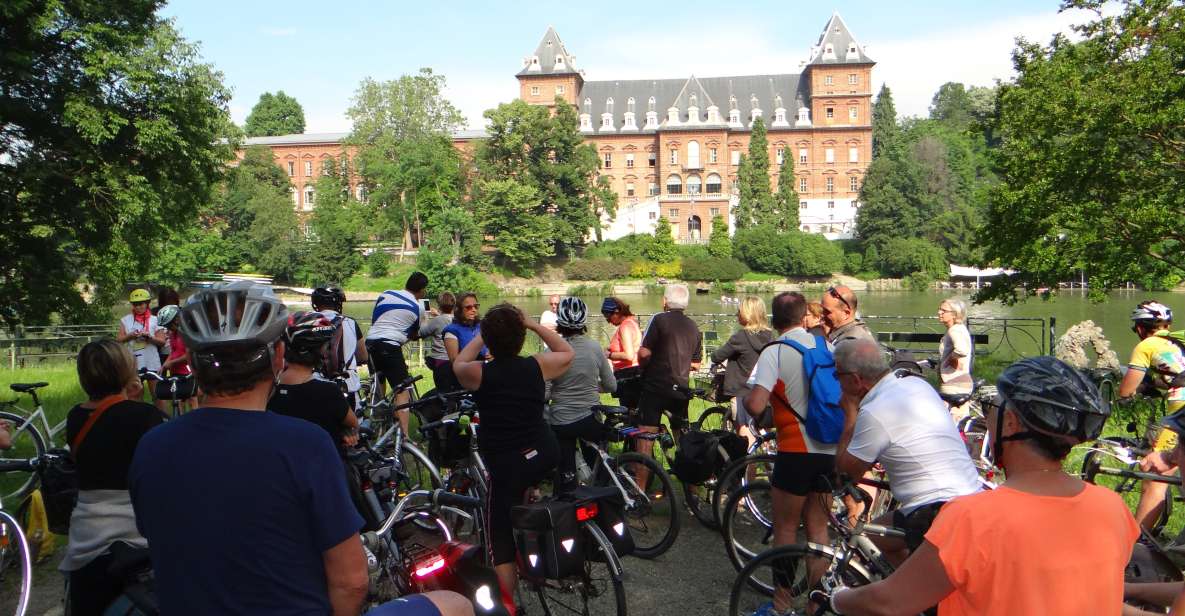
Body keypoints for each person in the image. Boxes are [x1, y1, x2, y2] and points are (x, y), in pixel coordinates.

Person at [129, 282, 469, 616]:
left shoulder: (152, 446)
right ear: (278, 356)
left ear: (190, 360)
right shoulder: (304, 444)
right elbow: (351, 581)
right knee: (456, 604)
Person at [827, 356, 1136, 616]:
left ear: (1011, 423)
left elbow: (891, 601)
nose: (988, 417)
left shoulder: (972, 518)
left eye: (993, 408)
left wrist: (836, 598)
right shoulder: (1112, 507)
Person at [453, 304, 571, 606]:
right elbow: (566, 351)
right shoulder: (537, 365)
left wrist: (483, 335)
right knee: (528, 480)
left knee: (499, 537)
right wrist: (532, 323)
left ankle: (510, 606)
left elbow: (458, 362)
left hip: (508, 463)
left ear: (489, 339)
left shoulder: (479, 373)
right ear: (521, 338)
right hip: (545, 451)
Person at [834, 338, 982, 566]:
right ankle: (899, 582)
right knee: (872, 537)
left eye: (837, 377)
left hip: (935, 512)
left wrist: (850, 415)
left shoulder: (874, 411)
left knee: (924, 594)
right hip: (971, 496)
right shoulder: (917, 384)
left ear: (855, 380)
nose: (837, 384)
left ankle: (903, 594)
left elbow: (844, 475)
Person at [744, 292, 836, 616]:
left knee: (785, 529)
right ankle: (817, 604)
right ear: (803, 317)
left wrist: (747, 402)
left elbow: (756, 404)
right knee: (818, 530)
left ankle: (781, 605)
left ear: (773, 319)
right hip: (829, 449)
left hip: (795, 450)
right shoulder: (825, 347)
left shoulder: (776, 351)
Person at [60, 339, 166, 615]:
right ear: (126, 371)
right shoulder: (144, 416)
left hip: (87, 536)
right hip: (137, 536)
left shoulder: (75, 417)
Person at [1121, 301, 1185, 531]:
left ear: (1139, 328)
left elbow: (1126, 391)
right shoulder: (1180, 339)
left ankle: (1134, 542)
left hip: (1181, 410)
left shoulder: (1147, 345)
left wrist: (1130, 395)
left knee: (1156, 473)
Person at [545, 297, 616, 491]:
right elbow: (611, 386)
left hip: (562, 420)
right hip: (590, 418)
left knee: (566, 473)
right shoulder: (594, 347)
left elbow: (545, 394)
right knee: (599, 468)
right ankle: (604, 503)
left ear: (559, 322)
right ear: (584, 323)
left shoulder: (551, 350)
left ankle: (569, 505)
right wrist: (591, 386)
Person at [269, 311, 360, 449]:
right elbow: (353, 424)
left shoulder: (268, 389)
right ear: (322, 351)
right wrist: (347, 432)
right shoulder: (328, 392)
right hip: (323, 465)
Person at [636, 284, 702, 464]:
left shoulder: (658, 319)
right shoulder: (693, 326)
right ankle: (691, 489)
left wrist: (644, 367)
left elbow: (643, 353)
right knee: (683, 438)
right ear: (685, 304)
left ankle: (639, 488)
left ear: (664, 301)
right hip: (680, 390)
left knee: (645, 437)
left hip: (655, 387)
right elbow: (696, 364)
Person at [366, 272, 429, 435]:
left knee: (379, 381)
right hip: (389, 346)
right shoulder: (419, 307)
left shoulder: (386, 294)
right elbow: (414, 334)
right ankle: (404, 436)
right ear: (422, 290)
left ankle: (378, 423)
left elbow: (376, 319)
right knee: (403, 389)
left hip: (371, 342)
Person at [710, 296, 773, 441]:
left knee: (744, 429)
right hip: (764, 390)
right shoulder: (770, 336)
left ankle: (748, 463)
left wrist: (715, 357)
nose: (737, 314)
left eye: (739, 311)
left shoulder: (741, 337)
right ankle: (769, 460)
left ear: (746, 314)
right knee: (764, 429)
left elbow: (718, 356)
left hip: (741, 391)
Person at [312, 286, 369, 412]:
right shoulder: (350, 322)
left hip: (315, 385)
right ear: (338, 303)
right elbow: (363, 356)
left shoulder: (307, 322)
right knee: (352, 427)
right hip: (346, 386)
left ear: (315, 303)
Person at [116, 288, 166, 388]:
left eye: (141, 304)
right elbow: (118, 340)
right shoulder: (125, 320)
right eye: (135, 304)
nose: (138, 307)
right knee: (135, 394)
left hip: (151, 361)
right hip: (133, 362)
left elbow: (162, 342)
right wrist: (130, 336)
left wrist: (150, 338)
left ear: (147, 303)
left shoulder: (155, 320)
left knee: (157, 395)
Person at [154, 305, 198, 414]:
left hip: (188, 371)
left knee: (192, 399)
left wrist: (172, 363)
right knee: (177, 400)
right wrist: (165, 364)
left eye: (169, 325)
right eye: (166, 326)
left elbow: (189, 355)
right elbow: (173, 352)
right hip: (176, 371)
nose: (168, 329)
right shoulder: (173, 333)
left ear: (177, 319)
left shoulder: (187, 333)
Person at [938, 298, 975, 420]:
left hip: (954, 384)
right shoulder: (958, 329)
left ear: (954, 314)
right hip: (960, 382)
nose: (939, 312)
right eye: (939, 309)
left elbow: (961, 350)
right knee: (959, 422)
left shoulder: (955, 330)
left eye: (943, 310)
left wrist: (949, 360)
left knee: (951, 422)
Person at [441, 293, 483, 392]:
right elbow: (455, 361)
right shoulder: (451, 331)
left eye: (476, 306)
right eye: (468, 307)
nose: (474, 310)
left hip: (487, 373)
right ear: (458, 310)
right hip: (466, 378)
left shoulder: (482, 325)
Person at [420, 292, 456, 390]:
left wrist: (424, 316)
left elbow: (422, 332)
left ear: (439, 305)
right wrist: (439, 314)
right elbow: (446, 319)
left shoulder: (437, 320)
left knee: (442, 392)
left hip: (439, 361)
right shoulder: (458, 319)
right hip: (455, 360)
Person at [602, 297, 641, 372]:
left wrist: (608, 355)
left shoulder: (625, 327)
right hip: (634, 369)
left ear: (616, 312)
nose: (609, 322)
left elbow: (629, 356)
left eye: (608, 318)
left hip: (627, 373)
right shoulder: (632, 321)